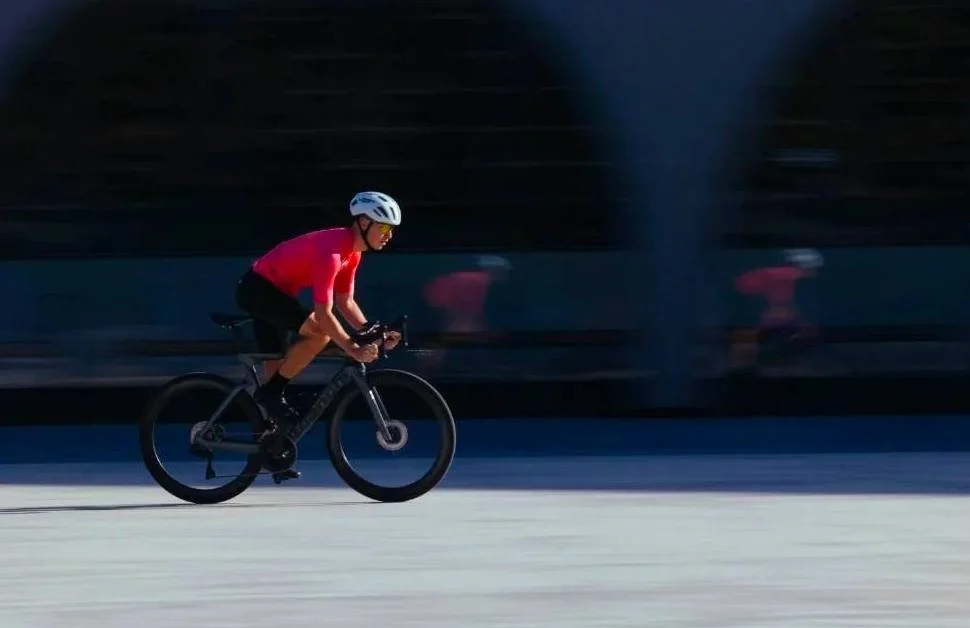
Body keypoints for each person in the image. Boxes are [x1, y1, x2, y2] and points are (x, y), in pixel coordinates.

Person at [234, 191, 403, 479]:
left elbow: (345, 302)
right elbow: (324, 315)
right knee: (319, 335)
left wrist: (371, 330)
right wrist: (353, 348)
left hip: (278, 293)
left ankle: (272, 450)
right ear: (363, 222)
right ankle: (271, 393)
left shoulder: (353, 254)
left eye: (392, 230)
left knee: (276, 379)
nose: (388, 235)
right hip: (260, 290)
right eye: (384, 227)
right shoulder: (334, 251)